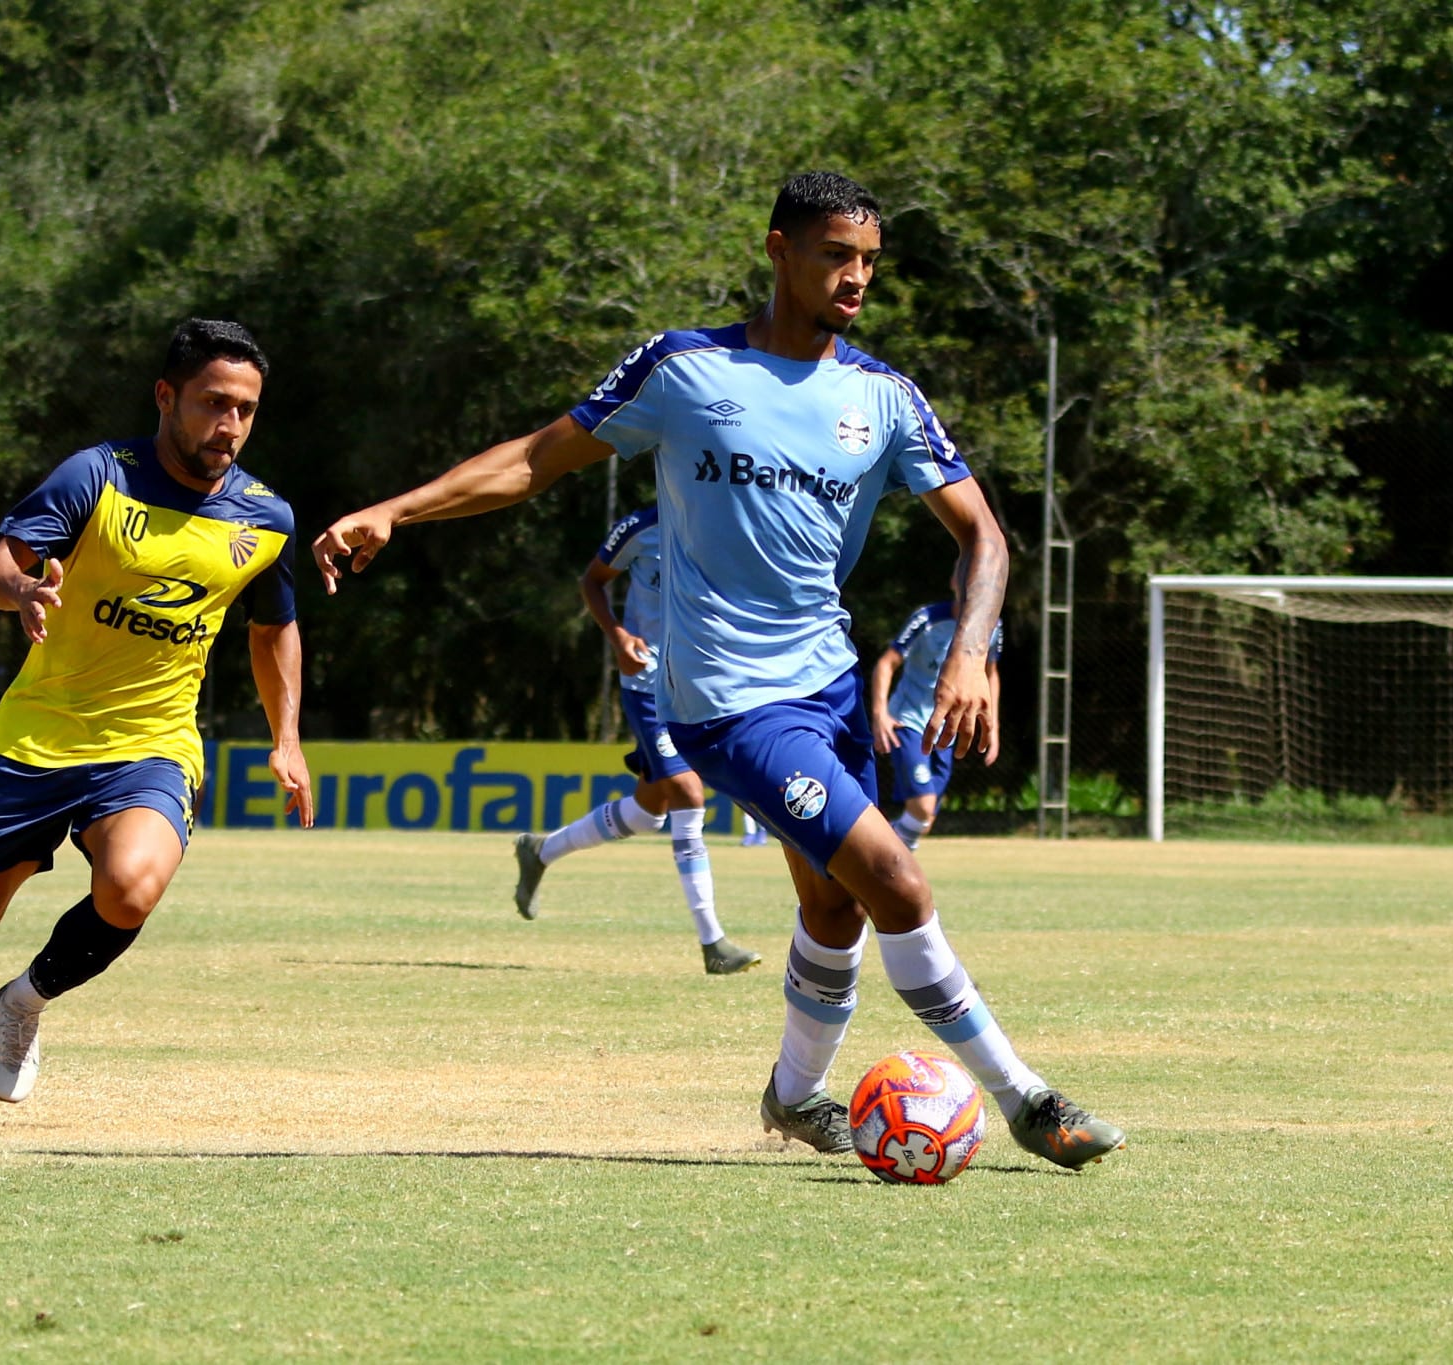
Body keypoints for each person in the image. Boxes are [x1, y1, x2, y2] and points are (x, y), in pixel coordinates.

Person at [311, 171, 1123, 1171]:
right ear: (778, 250)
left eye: (868, 260)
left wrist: (969, 653)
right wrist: (398, 509)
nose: (855, 277)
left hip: (824, 686)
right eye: (834, 254)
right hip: (727, 703)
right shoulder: (684, 369)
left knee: (828, 906)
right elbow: (534, 457)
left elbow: (984, 540)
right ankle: (1026, 1099)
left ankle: (790, 1097)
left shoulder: (883, 397)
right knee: (893, 884)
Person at [0, 318, 314, 1132]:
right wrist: (22, 591)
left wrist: (287, 739)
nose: (228, 425)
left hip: (152, 744)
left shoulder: (267, 518)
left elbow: (273, 628)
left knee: (131, 888)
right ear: (167, 397)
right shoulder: (98, 476)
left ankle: (24, 1000)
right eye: (212, 403)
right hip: (38, 735)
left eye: (244, 409)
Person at [513, 504, 762, 975]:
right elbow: (592, 580)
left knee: (648, 814)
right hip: (648, 688)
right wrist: (619, 635)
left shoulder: (730, 523)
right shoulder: (640, 528)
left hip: (702, 689)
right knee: (689, 792)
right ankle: (714, 943)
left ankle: (539, 851)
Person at [870, 598, 1003, 850]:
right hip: (908, 722)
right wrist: (880, 714)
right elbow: (886, 664)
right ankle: (874, 862)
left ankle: (873, 858)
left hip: (946, 730)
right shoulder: (928, 619)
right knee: (923, 805)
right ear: (956, 581)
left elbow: (990, 673)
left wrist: (992, 725)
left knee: (924, 820)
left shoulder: (991, 625)